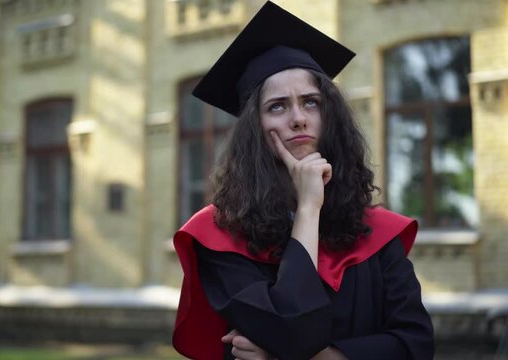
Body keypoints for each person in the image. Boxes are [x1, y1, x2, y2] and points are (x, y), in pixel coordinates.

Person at [171, 1, 434, 360]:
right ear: (254, 129)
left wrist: (310, 356)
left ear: (329, 116)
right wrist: (309, 206)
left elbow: (416, 346)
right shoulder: (219, 237)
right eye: (277, 106)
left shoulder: (377, 231)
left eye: (311, 102)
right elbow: (296, 330)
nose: (298, 118)